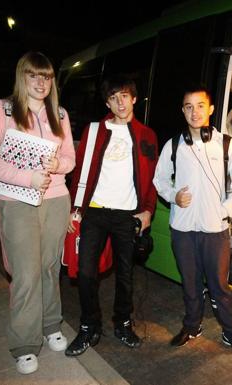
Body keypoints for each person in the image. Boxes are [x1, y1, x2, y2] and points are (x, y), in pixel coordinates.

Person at [0, 51, 75, 375]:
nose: (41, 82)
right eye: (34, 75)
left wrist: (56, 164)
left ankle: (50, 325)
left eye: (46, 76)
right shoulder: (2, 109)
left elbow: (71, 158)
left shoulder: (59, 113)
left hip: (56, 198)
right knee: (26, 274)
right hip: (16, 199)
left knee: (48, 269)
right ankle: (24, 344)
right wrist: (27, 178)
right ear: (22, 77)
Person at [152, 85, 232, 356]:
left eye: (200, 106)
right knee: (190, 282)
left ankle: (231, 333)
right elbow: (159, 179)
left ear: (210, 110)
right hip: (183, 229)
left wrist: (225, 210)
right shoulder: (173, 145)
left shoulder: (225, 144)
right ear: (182, 111)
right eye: (188, 106)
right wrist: (174, 196)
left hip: (215, 230)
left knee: (220, 286)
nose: (194, 111)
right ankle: (192, 326)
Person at [64, 75, 158, 356]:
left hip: (127, 215)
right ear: (107, 102)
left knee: (126, 276)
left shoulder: (146, 135)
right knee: (85, 272)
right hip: (94, 213)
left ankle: (123, 324)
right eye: (114, 97)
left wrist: (148, 211)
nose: (120, 101)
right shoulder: (95, 131)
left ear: (134, 99)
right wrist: (75, 209)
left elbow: (152, 179)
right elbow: (79, 173)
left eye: (125, 96)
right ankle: (88, 326)